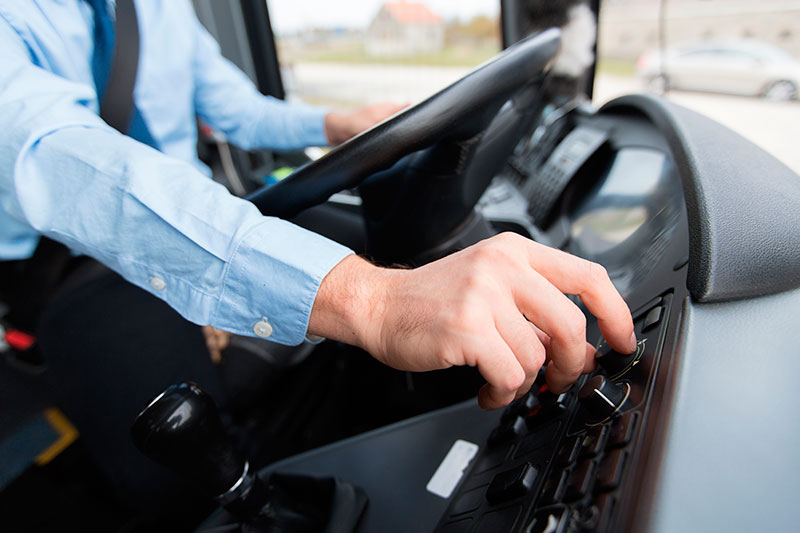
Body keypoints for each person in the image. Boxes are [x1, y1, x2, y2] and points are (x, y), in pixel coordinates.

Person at [0, 0, 635, 517]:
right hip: (71, 258)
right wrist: (374, 300)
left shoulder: (160, 9)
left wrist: (342, 122)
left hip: (194, 209)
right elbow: (62, 158)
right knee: (171, 487)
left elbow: (239, 112)